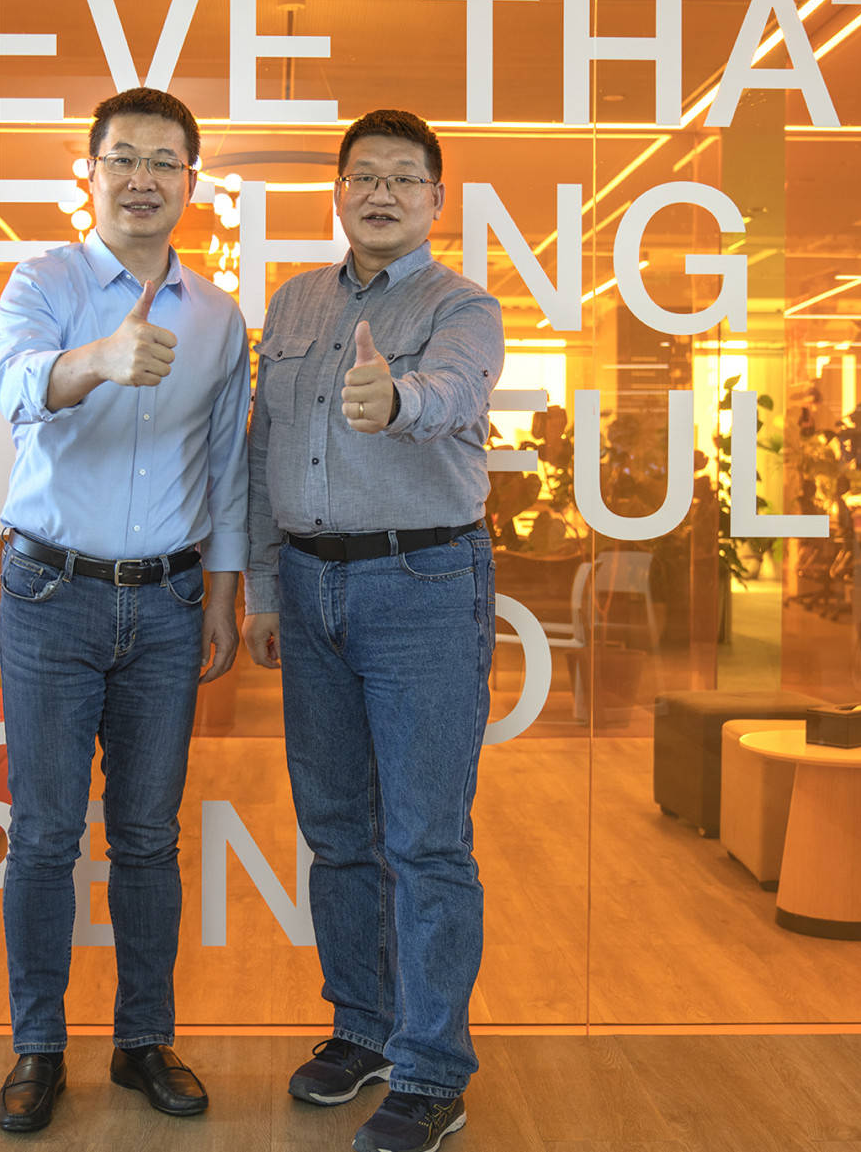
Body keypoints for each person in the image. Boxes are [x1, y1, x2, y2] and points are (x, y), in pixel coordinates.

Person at [0, 87, 249, 1134]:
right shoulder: (43, 280)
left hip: (171, 602)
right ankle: (37, 1047)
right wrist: (97, 361)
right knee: (45, 835)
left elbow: (226, 468)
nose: (143, 178)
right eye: (123, 158)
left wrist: (223, 594)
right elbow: (13, 386)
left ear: (191, 181)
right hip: (49, 594)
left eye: (164, 161)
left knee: (146, 836)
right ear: (89, 173)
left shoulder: (219, 316)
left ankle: (144, 1040)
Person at [242, 110, 504, 1152]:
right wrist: (264, 588)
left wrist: (395, 396)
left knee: (426, 840)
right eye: (364, 176)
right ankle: (361, 1026)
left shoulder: (463, 306)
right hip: (310, 590)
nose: (381, 193)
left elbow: (456, 392)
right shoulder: (294, 301)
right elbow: (262, 450)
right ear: (339, 193)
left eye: (404, 177)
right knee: (336, 830)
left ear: (436, 199)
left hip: (423, 584)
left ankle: (433, 1070)